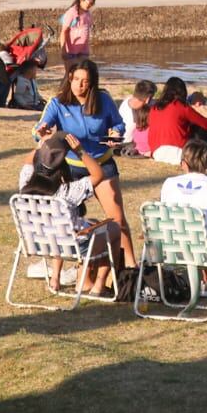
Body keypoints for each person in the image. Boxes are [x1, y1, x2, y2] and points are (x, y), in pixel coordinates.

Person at [34, 59, 133, 266]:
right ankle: (59, 271)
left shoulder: (103, 100)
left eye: (85, 81)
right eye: (76, 79)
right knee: (63, 222)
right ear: (69, 78)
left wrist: (115, 134)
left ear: (92, 83)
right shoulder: (57, 103)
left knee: (117, 219)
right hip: (71, 168)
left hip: (102, 164)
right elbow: (39, 129)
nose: (80, 85)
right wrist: (41, 132)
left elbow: (118, 124)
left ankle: (131, 266)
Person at [17, 131, 118, 297]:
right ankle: (98, 286)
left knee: (66, 226)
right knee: (113, 228)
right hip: (70, 247)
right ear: (62, 166)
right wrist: (80, 151)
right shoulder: (67, 192)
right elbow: (99, 174)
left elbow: (28, 160)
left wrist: (44, 146)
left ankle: (55, 278)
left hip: (36, 244)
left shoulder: (26, 183)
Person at [146, 75, 207, 164]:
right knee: (201, 128)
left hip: (156, 152)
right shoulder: (181, 107)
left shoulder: (154, 108)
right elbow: (206, 124)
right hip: (178, 153)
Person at [118, 79, 157, 157]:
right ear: (147, 99)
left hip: (120, 140)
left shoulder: (127, 101)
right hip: (128, 143)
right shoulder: (139, 112)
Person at [59, 0, 96, 70]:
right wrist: (63, 50)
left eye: (92, 4)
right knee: (70, 74)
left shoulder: (87, 14)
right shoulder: (72, 13)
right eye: (89, 3)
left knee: (84, 71)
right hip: (71, 51)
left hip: (83, 50)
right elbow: (64, 32)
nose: (90, 6)